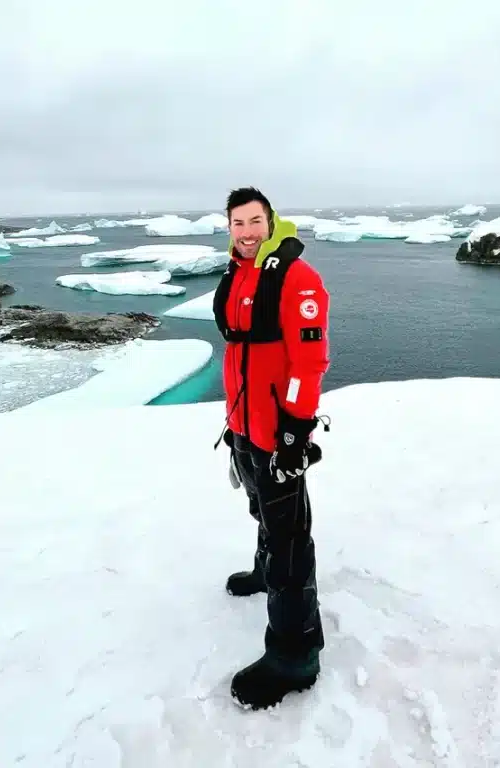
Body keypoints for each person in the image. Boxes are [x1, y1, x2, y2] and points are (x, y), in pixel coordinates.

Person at [212, 186, 332, 710]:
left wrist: (294, 432)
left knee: (289, 542)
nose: (247, 231)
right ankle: (265, 571)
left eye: (255, 221)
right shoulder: (239, 274)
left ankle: (295, 653)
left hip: (278, 429)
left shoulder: (295, 277)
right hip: (243, 422)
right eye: (238, 223)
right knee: (260, 508)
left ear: (270, 221)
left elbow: (309, 363)